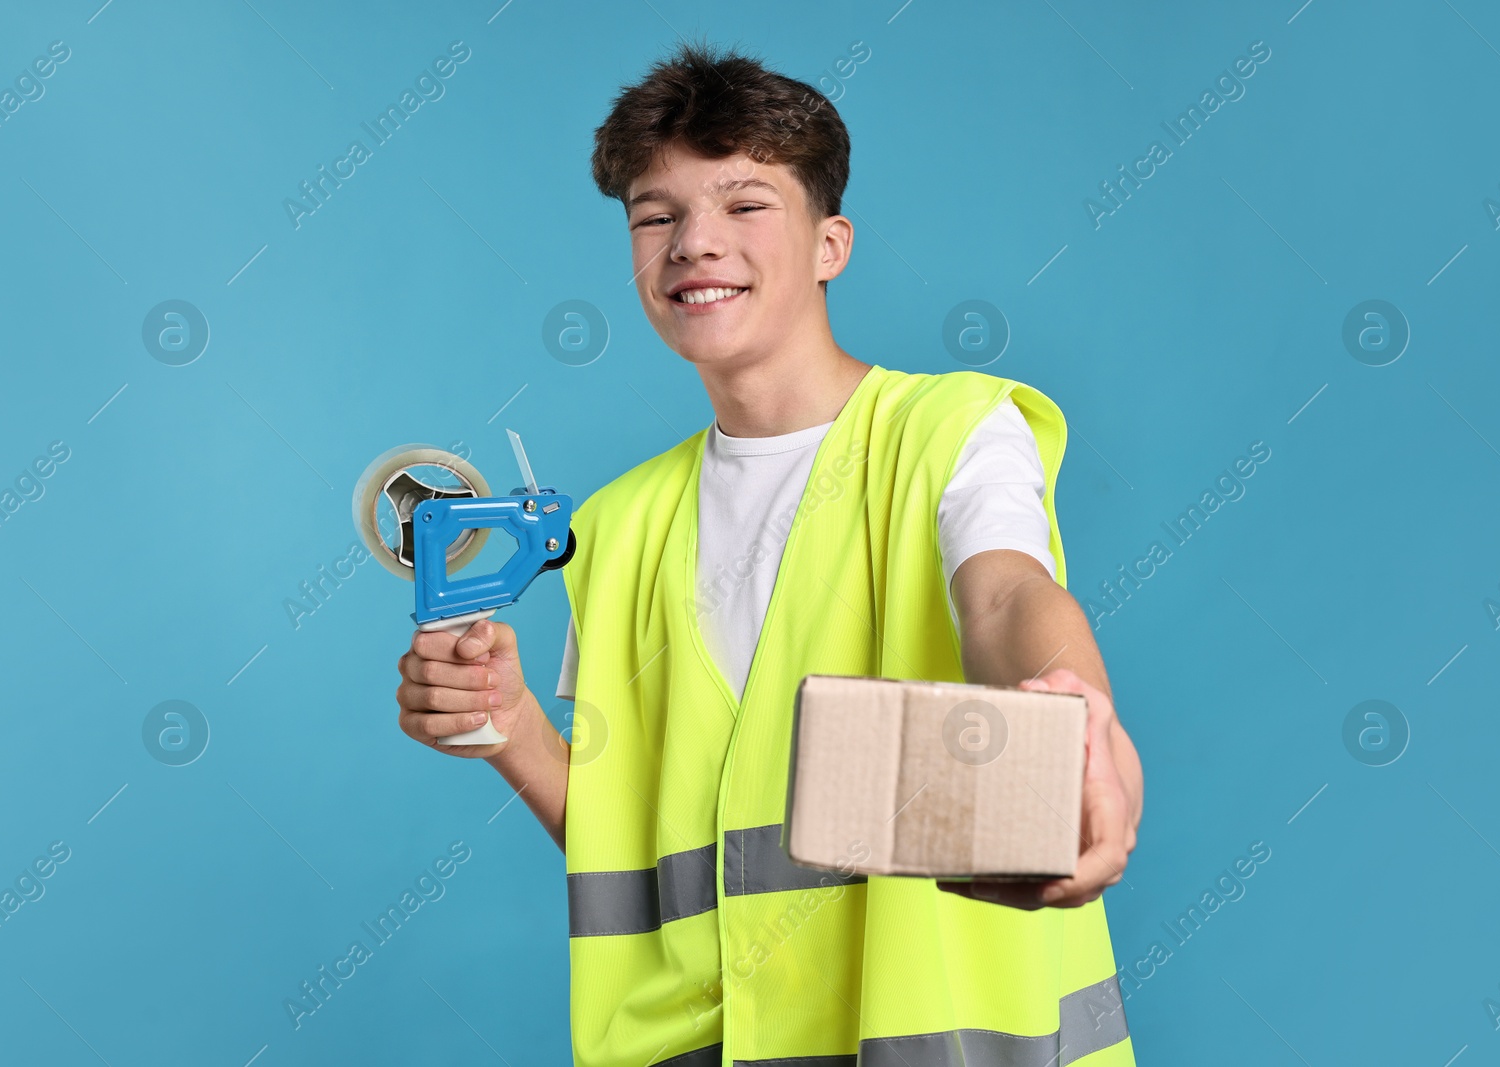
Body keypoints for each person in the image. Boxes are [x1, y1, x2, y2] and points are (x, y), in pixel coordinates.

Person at [395, 40, 1142, 1066]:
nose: (695, 241)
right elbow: (637, 851)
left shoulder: (950, 428)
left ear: (830, 243)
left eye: (745, 204)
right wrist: (510, 725)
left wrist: (1079, 719)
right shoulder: (618, 526)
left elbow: (1007, 594)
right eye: (656, 214)